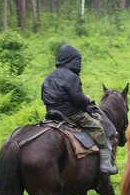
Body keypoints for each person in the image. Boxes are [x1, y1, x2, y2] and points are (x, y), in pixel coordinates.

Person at [41, 44, 118, 175]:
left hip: (51, 112)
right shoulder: (72, 77)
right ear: (73, 60)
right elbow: (78, 100)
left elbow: (43, 94)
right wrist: (86, 99)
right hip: (71, 114)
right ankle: (106, 165)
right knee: (98, 128)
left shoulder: (50, 75)